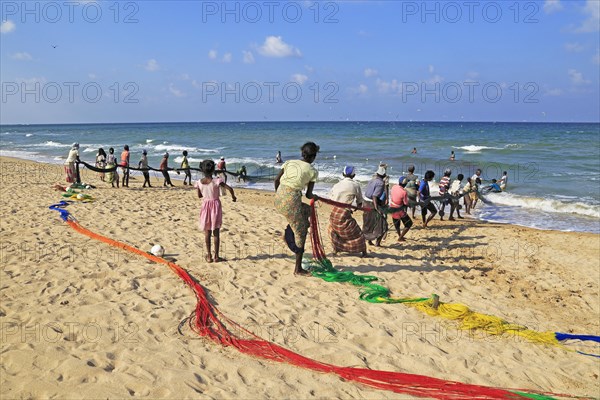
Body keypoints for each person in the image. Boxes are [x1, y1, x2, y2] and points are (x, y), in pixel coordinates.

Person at [274, 142, 320, 276]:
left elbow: (276, 180)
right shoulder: (312, 171)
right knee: (301, 233)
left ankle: (289, 232)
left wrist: (280, 195)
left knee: (306, 212)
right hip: (291, 202)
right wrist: (315, 197)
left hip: (278, 198)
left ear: (302, 154)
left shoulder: (289, 162)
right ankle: (298, 269)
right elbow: (309, 195)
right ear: (314, 157)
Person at [196, 159, 237, 263]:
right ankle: (216, 257)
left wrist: (204, 193)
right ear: (213, 169)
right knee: (216, 232)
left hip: (205, 207)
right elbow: (230, 189)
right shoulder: (217, 181)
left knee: (207, 232)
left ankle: (209, 256)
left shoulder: (199, 182)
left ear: (202, 170)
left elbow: (199, 195)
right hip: (215, 207)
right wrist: (233, 197)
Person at [328, 166, 367, 257]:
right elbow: (359, 202)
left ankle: (336, 249)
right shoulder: (355, 185)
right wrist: (355, 208)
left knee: (334, 231)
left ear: (343, 174)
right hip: (344, 214)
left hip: (334, 214)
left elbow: (331, 198)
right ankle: (364, 252)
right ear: (354, 175)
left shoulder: (336, 185)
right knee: (358, 234)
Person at [362, 165, 388, 247]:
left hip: (365, 202)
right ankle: (377, 243)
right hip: (372, 204)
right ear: (384, 175)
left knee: (368, 223)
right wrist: (377, 208)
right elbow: (374, 196)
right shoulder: (380, 183)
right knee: (383, 225)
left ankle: (369, 241)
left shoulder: (372, 180)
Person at [390, 176, 413, 242]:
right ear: (405, 184)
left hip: (392, 207)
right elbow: (405, 203)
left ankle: (399, 235)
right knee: (409, 224)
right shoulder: (404, 192)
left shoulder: (394, 187)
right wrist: (410, 205)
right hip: (399, 210)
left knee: (397, 225)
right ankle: (400, 237)